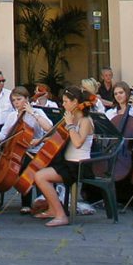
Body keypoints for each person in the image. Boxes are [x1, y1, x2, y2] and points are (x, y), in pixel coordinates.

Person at [31, 85, 95, 228]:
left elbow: (78, 142)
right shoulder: (71, 118)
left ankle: (60, 215)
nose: (63, 104)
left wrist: (70, 125)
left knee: (40, 176)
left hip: (79, 165)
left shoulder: (85, 121)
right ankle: (52, 209)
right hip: (68, 162)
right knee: (38, 171)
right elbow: (61, 138)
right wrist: (41, 140)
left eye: (66, 101)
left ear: (75, 102)